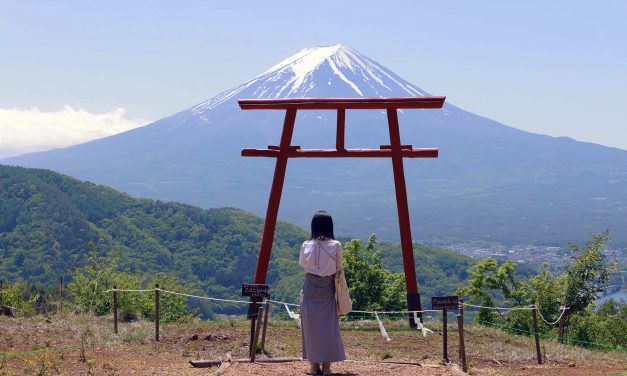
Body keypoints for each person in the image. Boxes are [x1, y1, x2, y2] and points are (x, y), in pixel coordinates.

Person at [299, 210, 346, 375]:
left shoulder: (305, 245)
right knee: (328, 329)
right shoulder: (336, 245)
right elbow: (339, 268)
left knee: (310, 328)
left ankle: (313, 367)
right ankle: (326, 367)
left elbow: (303, 265)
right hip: (328, 290)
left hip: (309, 288)